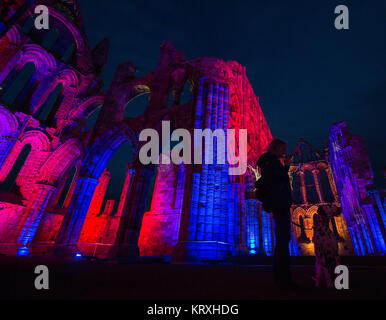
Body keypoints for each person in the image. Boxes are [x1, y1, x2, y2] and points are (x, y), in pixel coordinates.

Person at [257, 139, 295, 288]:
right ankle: (284, 280)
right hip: (279, 203)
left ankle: (280, 278)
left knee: (282, 240)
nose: (283, 152)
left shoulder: (273, 161)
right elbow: (272, 180)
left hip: (281, 203)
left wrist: (285, 167)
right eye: (282, 149)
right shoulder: (269, 160)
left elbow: (277, 177)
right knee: (283, 240)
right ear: (276, 148)